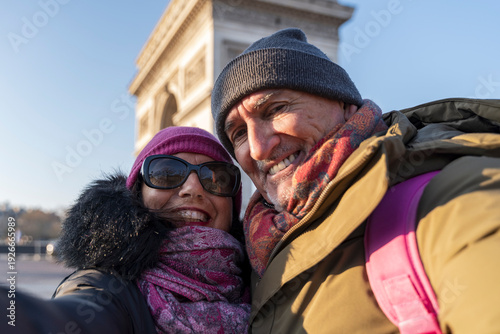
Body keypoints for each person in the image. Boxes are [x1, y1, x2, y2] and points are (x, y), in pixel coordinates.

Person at [210, 27, 500, 333]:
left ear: (344, 103)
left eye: (276, 109)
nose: (257, 148)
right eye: (239, 133)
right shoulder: (246, 258)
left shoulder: (455, 197)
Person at [0, 126, 251, 333]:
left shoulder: (268, 280)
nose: (193, 188)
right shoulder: (106, 290)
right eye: (166, 173)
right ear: (137, 196)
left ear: (232, 207)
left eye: (216, 177)